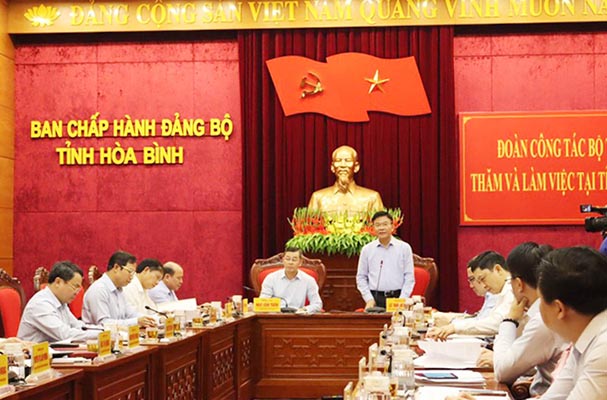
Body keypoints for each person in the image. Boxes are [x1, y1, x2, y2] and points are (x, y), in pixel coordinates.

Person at [477, 242, 564, 396]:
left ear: (518, 284)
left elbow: (503, 371)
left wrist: (510, 320)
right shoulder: (540, 312)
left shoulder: (543, 319)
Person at [537, 246, 607, 400]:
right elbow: (554, 397)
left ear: (559, 308)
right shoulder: (584, 337)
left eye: (540, 300)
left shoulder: (603, 348)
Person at [427, 251, 514, 340]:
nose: (484, 285)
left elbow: (497, 323)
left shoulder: (513, 289)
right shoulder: (503, 290)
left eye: (483, 278)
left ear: (498, 269)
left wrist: (455, 328)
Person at [18, 261, 99, 343]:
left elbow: (79, 326)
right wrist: (99, 335)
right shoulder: (40, 304)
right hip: (35, 351)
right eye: (75, 286)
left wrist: (103, 330)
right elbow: (65, 335)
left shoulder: (60, 302)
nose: (77, 292)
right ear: (58, 282)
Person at [356, 210, 415, 310]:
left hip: (398, 297)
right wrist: (369, 299)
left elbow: (409, 277)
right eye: (378, 225)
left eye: (385, 224)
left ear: (392, 226)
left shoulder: (404, 248)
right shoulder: (367, 250)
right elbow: (361, 277)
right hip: (375, 299)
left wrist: (402, 299)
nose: (381, 228)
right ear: (373, 228)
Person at [83, 251, 156, 328]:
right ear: (116, 267)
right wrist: (136, 322)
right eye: (130, 271)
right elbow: (104, 324)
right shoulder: (99, 290)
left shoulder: (119, 290)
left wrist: (152, 320)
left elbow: (131, 314)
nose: (132, 276)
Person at [307, 145, 384, 215]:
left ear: (356, 167)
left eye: (348, 160)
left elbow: (381, 224)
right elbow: (309, 224)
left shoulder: (372, 198)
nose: (343, 165)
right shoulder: (318, 198)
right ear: (332, 167)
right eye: (338, 160)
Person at [433, 255, 498, 327]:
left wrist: (451, 323)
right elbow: (480, 318)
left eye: (473, 279)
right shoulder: (490, 295)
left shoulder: (496, 294)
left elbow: (485, 326)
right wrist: (451, 317)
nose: (471, 286)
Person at [259, 246, 323, 314]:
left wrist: (305, 309)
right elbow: (263, 302)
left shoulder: (309, 280)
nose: (290, 262)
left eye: (294, 260)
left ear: (300, 262)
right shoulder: (271, 278)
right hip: (276, 316)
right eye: (287, 259)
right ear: (283, 260)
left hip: (297, 316)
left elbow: (317, 304)